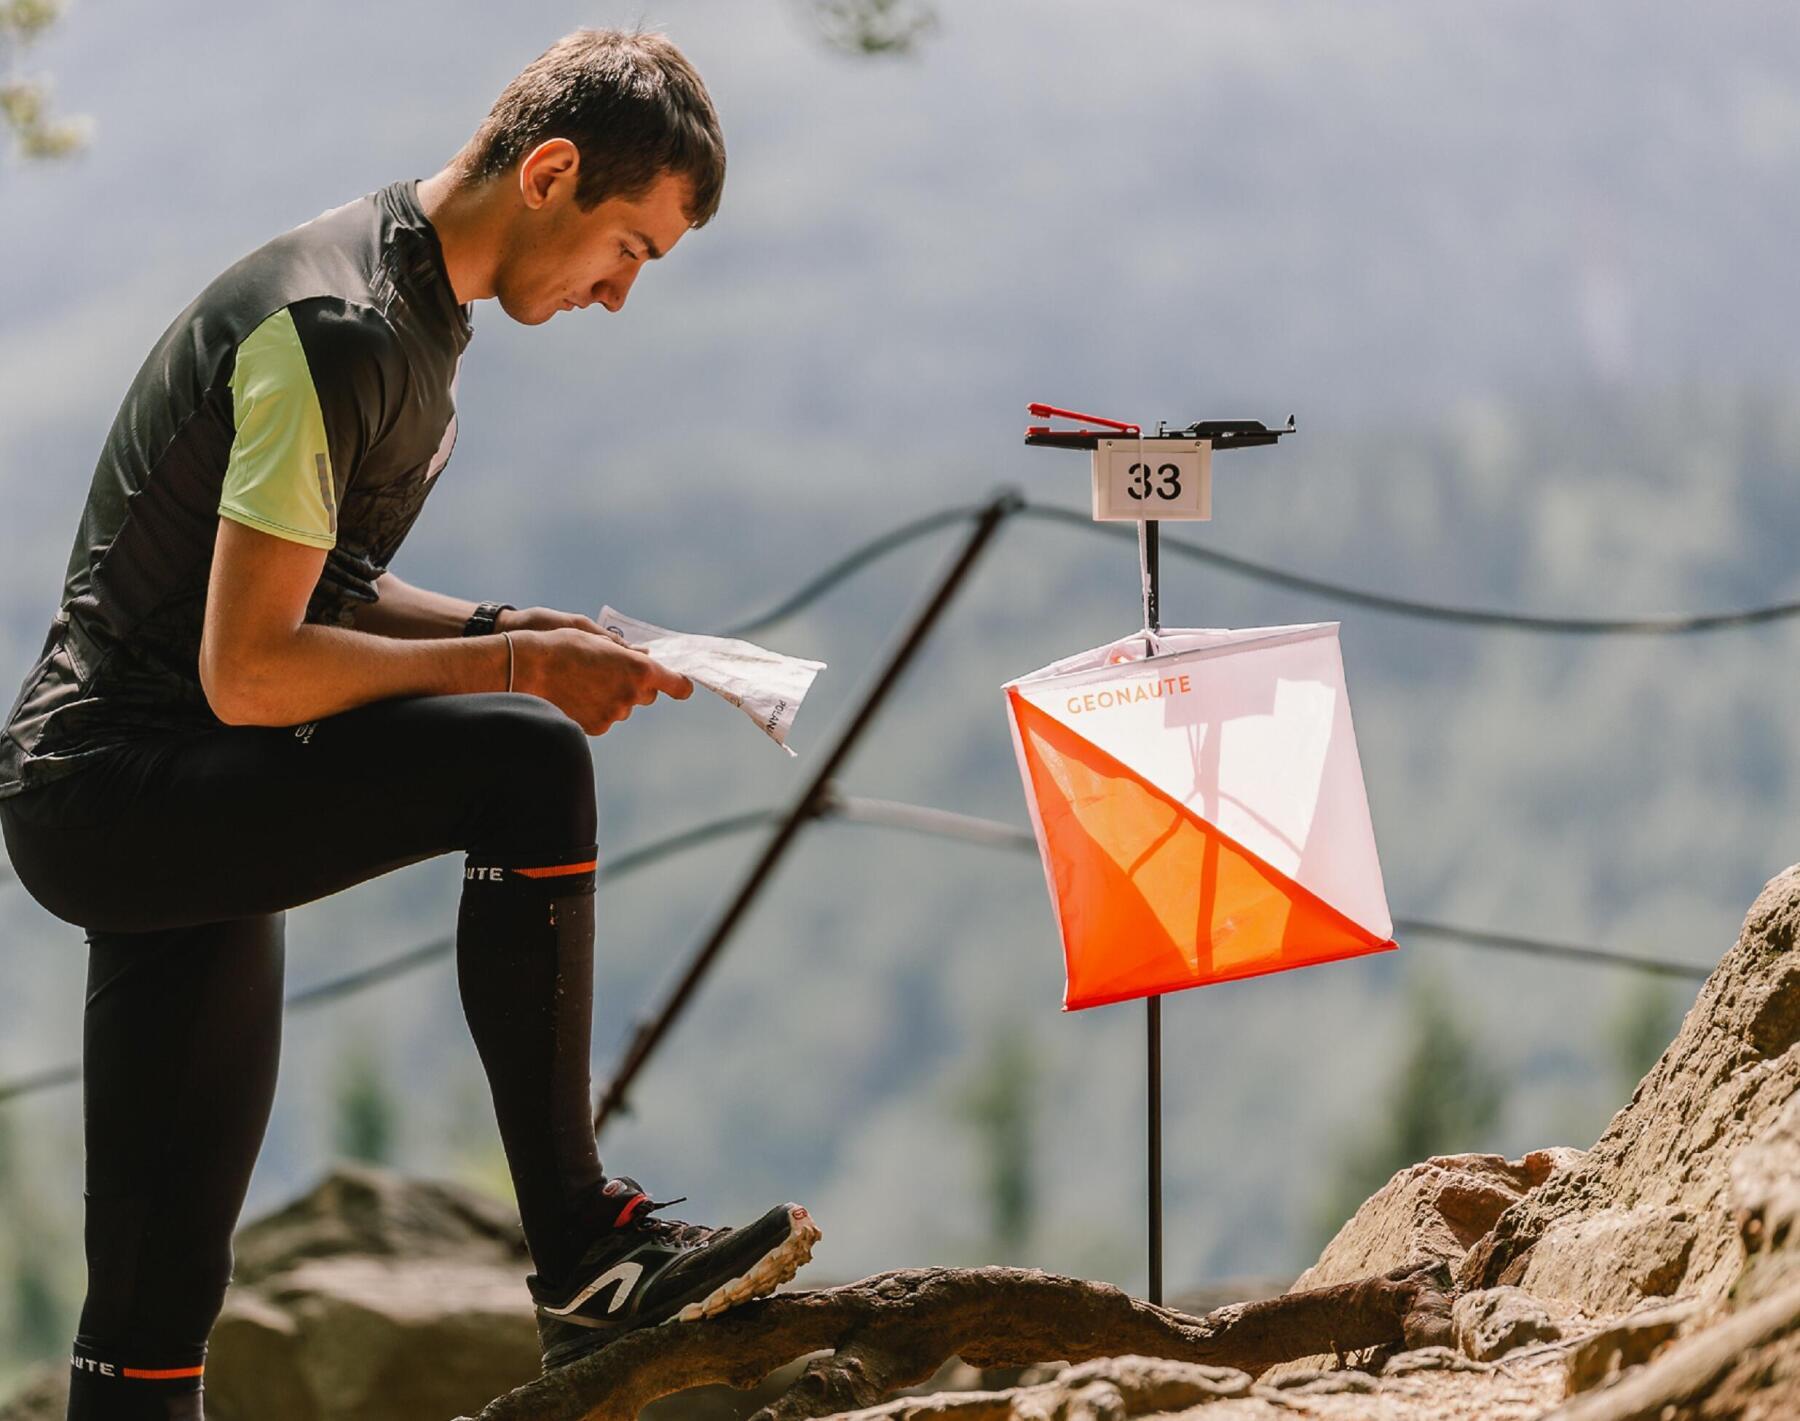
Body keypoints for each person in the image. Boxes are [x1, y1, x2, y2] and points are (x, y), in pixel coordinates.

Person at [0, 29, 820, 1421]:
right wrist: (516, 676)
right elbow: (253, 667)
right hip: (119, 787)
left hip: (167, 790)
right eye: (633, 248)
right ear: (550, 172)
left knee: (150, 1310)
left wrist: (528, 631)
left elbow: (326, 585)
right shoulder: (338, 331)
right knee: (527, 767)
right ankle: (581, 1248)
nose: (623, 295)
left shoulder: (416, 310)